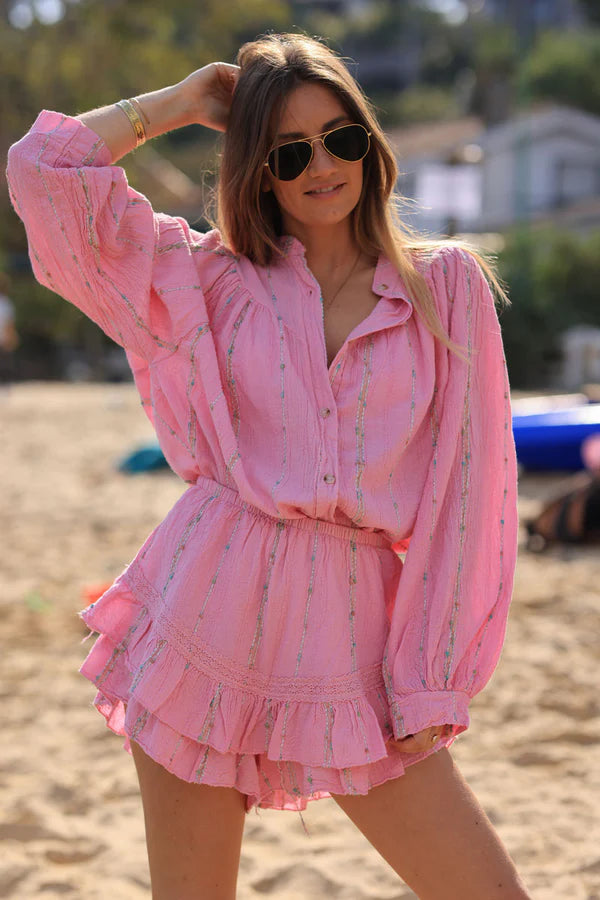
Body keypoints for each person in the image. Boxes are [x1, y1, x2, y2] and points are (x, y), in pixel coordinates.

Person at [6, 32, 531, 900]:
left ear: (372, 143)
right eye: (289, 152)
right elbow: (44, 171)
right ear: (257, 170)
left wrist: (431, 677)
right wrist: (178, 103)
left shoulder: (446, 289)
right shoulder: (205, 281)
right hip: (204, 616)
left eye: (342, 138)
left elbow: (472, 494)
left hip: (358, 640)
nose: (322, 164)